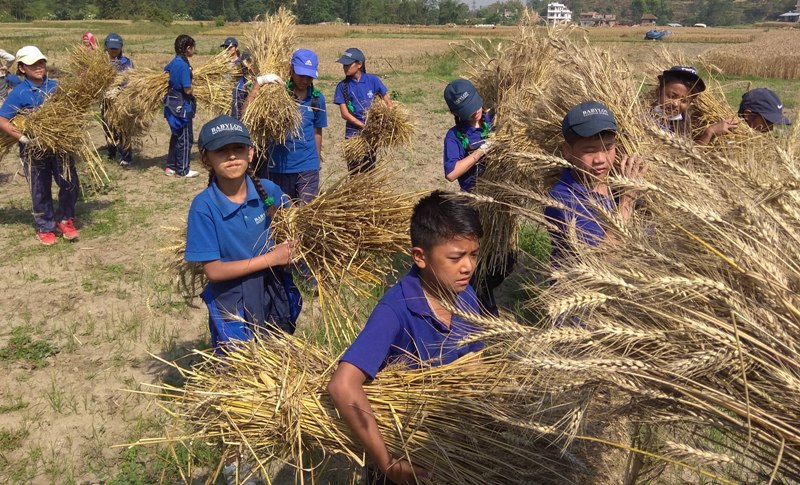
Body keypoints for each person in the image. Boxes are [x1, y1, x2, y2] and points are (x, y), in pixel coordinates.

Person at [328, 190, 485, 485]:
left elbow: (476, 361)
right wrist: (389, 464)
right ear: (419, 257)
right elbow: (342, 385)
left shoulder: (465, 295)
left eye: (473, 254)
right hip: (409, 454)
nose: (468, 266)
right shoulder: (395, 310)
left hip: (453, 446)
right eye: (455, 257)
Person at [185, 114, 302, 353]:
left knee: (278, 354)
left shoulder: (267, 191)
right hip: (233, 303)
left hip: (273, 290)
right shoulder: (204, 206)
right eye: (221, 151)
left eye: (238, 148)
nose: (231, 156)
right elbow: (214, 270)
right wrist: (272, 259)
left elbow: (295, 223)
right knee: (238, 365)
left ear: (250, 153)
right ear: (205, 159)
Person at [545, 100, 645, 265]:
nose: (600, 159)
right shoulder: (563, 198)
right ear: (567, 151)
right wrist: (628, 198)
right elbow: (603, 260)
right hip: (580, 287)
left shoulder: (618, 184)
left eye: (608, 148)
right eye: (589, 150)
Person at [442, 78, 511, 316]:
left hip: (501, 202)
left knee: (508, 258)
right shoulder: (455, 136)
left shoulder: (493, 121)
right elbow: (451, 173)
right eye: (467, 110)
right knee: (481, 257)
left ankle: (485, 288)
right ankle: (482, 303)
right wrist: (481, 151)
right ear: (454, 113)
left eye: (476, 104)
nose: (475, 111)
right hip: (477, 204)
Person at [0, 46, 80, 245]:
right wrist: (23, 138)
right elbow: (2, 120)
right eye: (32, 64)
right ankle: (45, 225)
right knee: (40, 187)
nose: (38, 66)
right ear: (21, 68)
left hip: (60, 146)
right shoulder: (19, 93)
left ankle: (65, 219)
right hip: (34, 149)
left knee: (69, 183)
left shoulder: (56, 86)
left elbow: (73, 108)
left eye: (41, 62)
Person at [247, 49, 327, 204]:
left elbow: (317, 132)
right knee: (280, 216)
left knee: (305, 216)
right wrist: (259, 83)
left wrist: (315, 162)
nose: (305, 80)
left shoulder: (317, 100)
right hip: (277, 168)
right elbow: (246, 114)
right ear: (291, 69)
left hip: (307, 167)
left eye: (309, 76)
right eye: (301, 75)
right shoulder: (275, 94)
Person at [333, 47, 393, 174]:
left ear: (359, 64)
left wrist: (388, 116)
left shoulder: (373, 80)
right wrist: (363, 125)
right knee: (354, 172)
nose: (344, 67)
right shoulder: (341, 86)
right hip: (353, 136)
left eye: (347, 64)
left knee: (369, 170)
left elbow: (387, 101)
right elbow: (344, 114)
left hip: (371, 135)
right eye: (344, 65)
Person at [653, 66, 737, 146]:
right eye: (672, 96)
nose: (676, 104)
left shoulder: (683, 123)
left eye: (684, 101)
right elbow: (684, 158)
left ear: (690, 103)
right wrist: (709, 133)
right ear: (658, 92)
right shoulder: (645, 119)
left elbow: (685, 154)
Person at [163, 35, 199, 178]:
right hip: (182, 105)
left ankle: (170, 167)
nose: (194, 51)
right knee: (185, 138)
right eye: (193, 48)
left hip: (171, 104)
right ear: (187, 48)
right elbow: (187, 89)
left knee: (176, 135)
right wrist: (194, 90)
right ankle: (183, 169)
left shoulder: (174, 62)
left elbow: (165, 73)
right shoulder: (183, 66)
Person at [101, 33, 135, 167]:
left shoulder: (127, 62)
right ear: (106, 48)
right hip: (106, 99)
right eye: (111, 48)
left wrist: (121, 90)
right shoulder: (101, 63)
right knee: (108, 125)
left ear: (121, 47)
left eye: (116, 48)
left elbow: (132, 79)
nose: (113, 51)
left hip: (122, 100)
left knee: (123, 127)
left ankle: (125, 156)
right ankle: (111, 152)